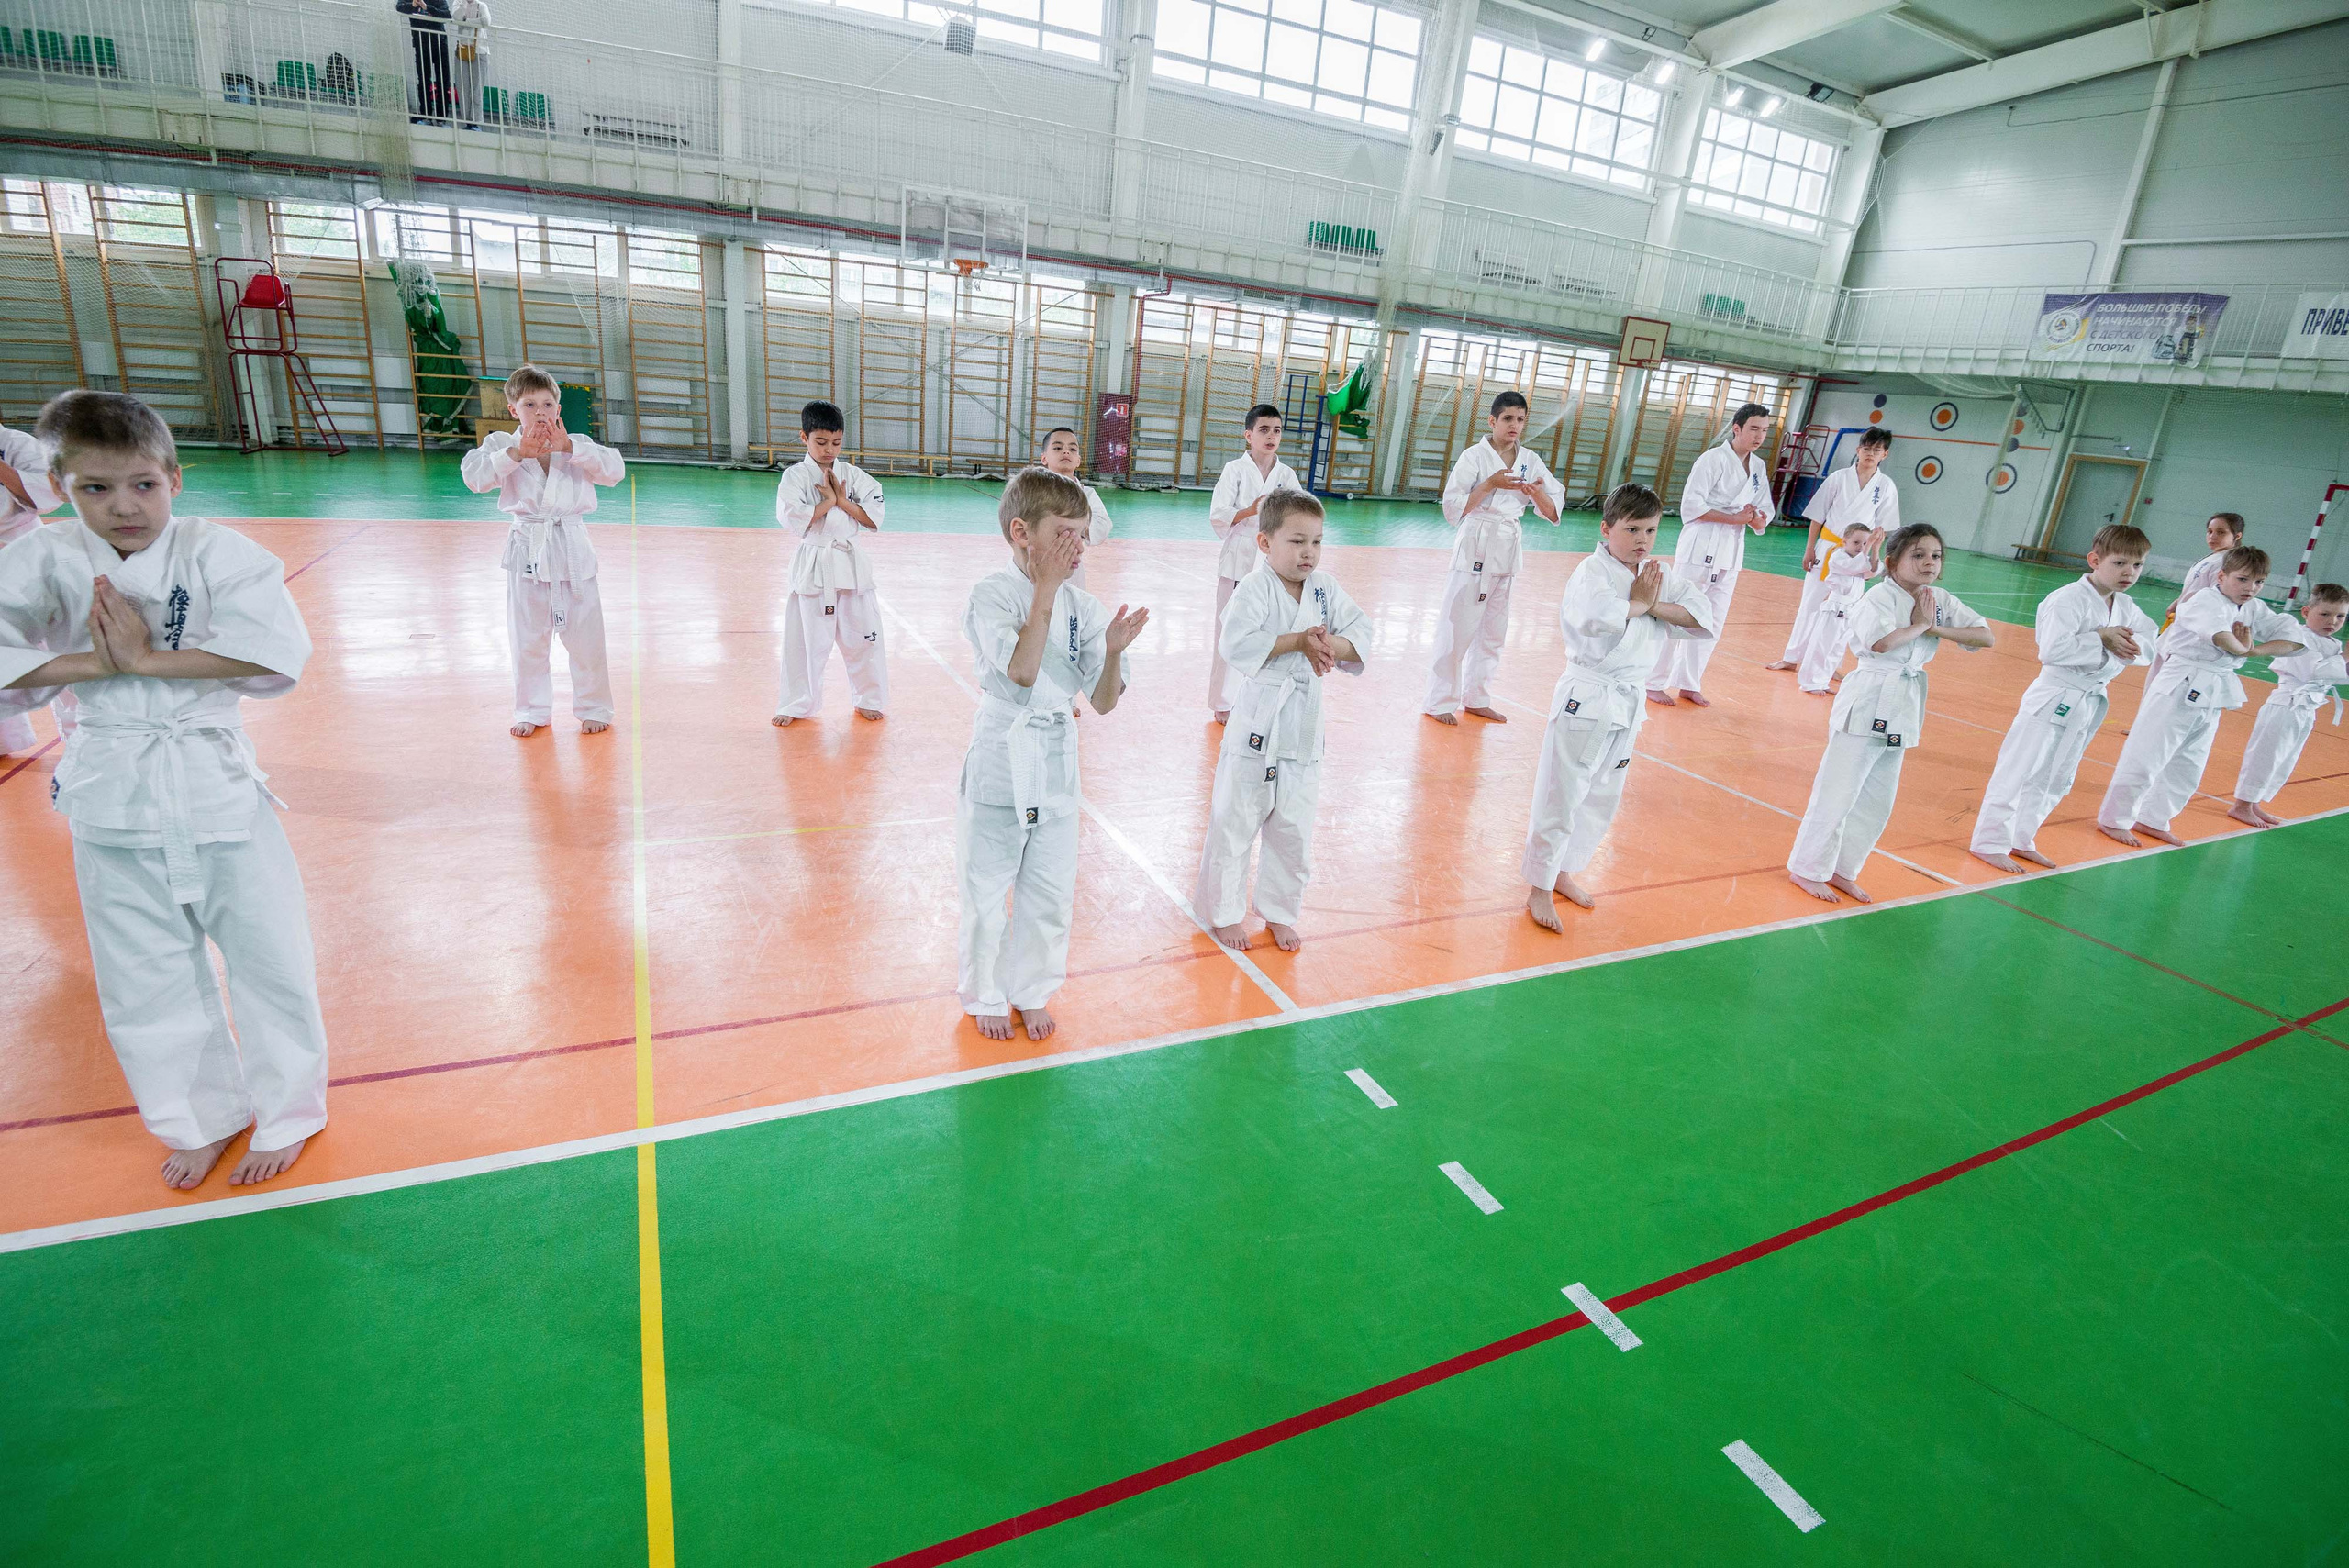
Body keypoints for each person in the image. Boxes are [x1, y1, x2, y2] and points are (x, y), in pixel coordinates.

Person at [0, 391, 327, 1189]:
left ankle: (289, 1111)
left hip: (218, 786)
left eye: (143, 485)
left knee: (270, 955)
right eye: (97, 490)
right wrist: (94, 663)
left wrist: (149, 660)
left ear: (174, 478)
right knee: (142, 971)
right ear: (62, 488)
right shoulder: (44, 559)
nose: (123, 507)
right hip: (112, 793)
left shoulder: (218, 552)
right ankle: (199, 1118)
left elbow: (276, 653)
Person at [956, 468, 1147, 1041]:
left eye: (1083, 534)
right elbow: (1019, 673)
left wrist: (1111, 653)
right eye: (1065, 533)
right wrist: (1042, 594)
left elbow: (1104, 703)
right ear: (1022, 532)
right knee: (987, 885)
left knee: (1049, 886)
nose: (1078, 547)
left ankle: (1032, 988)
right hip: (1003, 744)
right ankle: (986, 992)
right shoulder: (991, 595)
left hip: (1058, 750)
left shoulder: (1083, 607)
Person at [1522, 483, 1714, 931]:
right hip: (1588, 696)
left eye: (1650, 530)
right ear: (1607, 528)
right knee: (1563, 794)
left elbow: (1701, 614)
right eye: (1631, 529)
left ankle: (1564, 871)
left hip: (1628, 700)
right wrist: (1641, 604)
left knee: (1601, 796)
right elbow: (1595, 617)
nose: (1642, 540)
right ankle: (1538, 886)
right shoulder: (1591, 572)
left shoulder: (1654, 573)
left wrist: (1649, 604)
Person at [1196, 488, 1371, 953]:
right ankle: (1225, 912)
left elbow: (1362, 635)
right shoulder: (1254, 588)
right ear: (1265, 543)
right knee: (1235, 820)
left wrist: (1325, 643)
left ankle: (1279, 911)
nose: (1308, 552)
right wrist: (1299, 641)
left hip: (1304, 721)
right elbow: (1234, 643)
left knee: (1293, 827)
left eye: (1316, 541)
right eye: (1296, 541)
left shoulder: (1326, 588)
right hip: (1259, 718)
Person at [1787, 523, 1993, 905]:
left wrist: (1936, 630)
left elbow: (1984, 635)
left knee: (1877, 798)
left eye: (1935, 555)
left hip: (1903, 702)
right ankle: (1807, 868)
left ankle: (1843, 870)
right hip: (1868, 697)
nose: (1929, 562)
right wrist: (1919, 625)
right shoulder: (1877, 598)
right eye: (1918, 555)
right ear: (1892, 561)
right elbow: (1881, 643)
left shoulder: (1939, 599)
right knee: (1840, 790)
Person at [1968, 525, 2160, 873]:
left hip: (2088, 700)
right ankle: (1989, 842)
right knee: (2020, 769)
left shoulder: (2126, 605)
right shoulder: (2066, 599)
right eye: (2119, 563)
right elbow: (2053, 650)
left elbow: (2149, 641)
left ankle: (2021, 838)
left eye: (2137, 565)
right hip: (2055, 693)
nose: (2129, 573)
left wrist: (2125, 645)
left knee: (2057, 775)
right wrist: (2101, 637)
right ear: (2095, 560)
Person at [2098, 546, 2300, 848]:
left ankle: (2154, 819)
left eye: (2259, 582)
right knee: (2147, 754)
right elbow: (2224, 639)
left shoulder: (2254, 608)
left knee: (2190, 762)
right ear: (2222, 576)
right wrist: (2244, 648)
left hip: (2214, 690)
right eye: (2243, 580)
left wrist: (2254, 649)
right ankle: (2114, 819)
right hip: (2180, 682)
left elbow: (2294, 639)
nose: (2251, 588)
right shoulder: (2204, 600)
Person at [460, 363, 622, 739]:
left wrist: (571, 448)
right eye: (530, 404)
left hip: (572, 547)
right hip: (527, 547)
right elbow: (475, 479)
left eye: (548, 404)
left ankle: (594, 706)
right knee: (528, 634)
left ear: (558, 409)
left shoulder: (574, 443)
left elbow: (615, 471)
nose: (541, 412)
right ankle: (532, 709)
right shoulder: (501, 445)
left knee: (586, 634)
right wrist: (516, 454)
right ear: (514, 410)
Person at [1424, 390, 1564, 726]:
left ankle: (1477, 697)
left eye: (1520, 420)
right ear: (1492, 420)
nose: (1515, 425)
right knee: (1458, 627)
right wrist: (1490, 483)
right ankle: (1439, 700)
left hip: (1507, 549)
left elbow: (1554, 511)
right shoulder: (1473, 456)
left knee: (1494, 632)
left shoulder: (1530, 459)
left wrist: (1537, 493)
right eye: (1508, 419)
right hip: (1476, 544)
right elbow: (1452, 509)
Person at [1651, 402, 1776, 708]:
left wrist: (1759, 519)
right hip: (1700, 546)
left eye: (1765, 430)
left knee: (1712, 620)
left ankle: (1689, 683)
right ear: (1737, 429)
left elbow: (1765, 508)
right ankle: (1653, 682)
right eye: (1754, 429)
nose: (1760, 436)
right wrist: (1737, 518)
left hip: (1731, 553)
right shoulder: (1712, 460)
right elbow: (1691, 507)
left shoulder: (1757, 468)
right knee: (1677, 615)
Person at [774, 400, 888, 726]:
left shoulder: (853, 475)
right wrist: (829, 501)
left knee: (864, 637)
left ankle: (868, 697)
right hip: (815, 562)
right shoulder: (794, 477)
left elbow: (872, 518)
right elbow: (793, 518)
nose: (829, 450)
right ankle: (798, 702)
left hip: (851, 565)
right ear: (804, 438)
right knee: (806, 641)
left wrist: (840, 501)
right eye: (821, 442)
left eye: (836, 443)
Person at [1769, 428, 1898, 673]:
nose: (1871, 454)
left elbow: (1882, 528)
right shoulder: (1838, 477)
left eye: (1877, 450)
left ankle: (1830, 666)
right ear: (1858, 450)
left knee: (1845, 611)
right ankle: (1791, 657)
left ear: (1885, 454)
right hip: (1827, 547)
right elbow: (1817, 515)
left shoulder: (1885, 486)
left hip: (1859, 554)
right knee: (1810, 603)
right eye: (1867, 449)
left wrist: (1874, 556)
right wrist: (1809, 550)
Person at [1207, 405, 1299, 723]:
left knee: (1269, 632)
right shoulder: (1234, 469)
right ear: (1249, 436)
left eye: (1276, 430)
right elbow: (1218, 513)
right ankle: (1223, 701)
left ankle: (1259, 698)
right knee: (1229, 631)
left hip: (1273, 563)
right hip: (1237, 560)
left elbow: (1297, 514)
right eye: (1263, 430)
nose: (1271, 436)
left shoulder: (1286, 475)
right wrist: (1249, 511)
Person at [2231, 583, 2349, 827]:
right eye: (2325, 614)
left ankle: (2255, 803)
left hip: (2307, 710)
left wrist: (2343, 658)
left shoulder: (2334, 644)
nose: (2333, 621)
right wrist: (2345, 658)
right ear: (2306, 612)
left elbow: (2339, 675)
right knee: (2265, 756)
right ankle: (2241, 805)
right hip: (2285, 706)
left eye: (2341, 616)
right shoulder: (2298, 637)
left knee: (2284, 759)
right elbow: (2314, 672)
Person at [0, 413, 65, 755]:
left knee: (61, 650)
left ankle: (80, 732)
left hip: (26, 558)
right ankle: (5, 739)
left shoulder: (16, 445)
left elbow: (50, 495)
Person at [2146, 512, 2244, 684]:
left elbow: (2215, 599)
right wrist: (2179, 601)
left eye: (2221, 532)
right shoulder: (2215, 557)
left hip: (2194, 631)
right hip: (2182, 621)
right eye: (2210, 531)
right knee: (2158, 674)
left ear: (2237, 536)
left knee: (2166, 679)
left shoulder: (2228, 563)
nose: (2213, 536)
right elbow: (2198, 587)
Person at [1794, 524, 1880, 695]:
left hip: (1851, 611)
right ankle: (1809, 682)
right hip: (1835, 608)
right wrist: (1869, 547)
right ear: (1844, 541)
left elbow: (1873, 570)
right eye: (1856, 542)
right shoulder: (1837, 557)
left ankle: (1822, 680)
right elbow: (1854, 566)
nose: (1861, 547)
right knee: (1822, 646)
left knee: (1836, 649)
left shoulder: (1862, 560)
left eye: (1864, 543)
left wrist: (1876, 547)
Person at [1038, 425, 1112, 594]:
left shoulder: (1088, 494)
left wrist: (1072, 523)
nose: (1066, 452)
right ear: (1044, 458)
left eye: (1072, 449)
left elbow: (1102, 529)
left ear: (1078, 460)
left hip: (1072, 569)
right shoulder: (1032, 490)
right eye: (1057, 448)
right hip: (1037, 564)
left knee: (1071, 614)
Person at [395, 0, 453, 124]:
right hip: (421, 43)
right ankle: (425, 113)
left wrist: (427, 7)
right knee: (424, 80)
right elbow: (399, 7)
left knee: (443, 80)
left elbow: (446, 15)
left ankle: (441, 117)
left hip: (439, 43)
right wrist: (413, 5)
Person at [449, 0, 491, 129]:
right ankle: (467, 121)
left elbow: (486, 22)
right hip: (462, 50)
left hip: (480, 51)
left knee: (477, 89)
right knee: (462, 88)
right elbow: (457, 18)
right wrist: (464, 6)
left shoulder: (481, 5)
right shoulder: (458, 3)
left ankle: (476, 122)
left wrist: (467, 21)